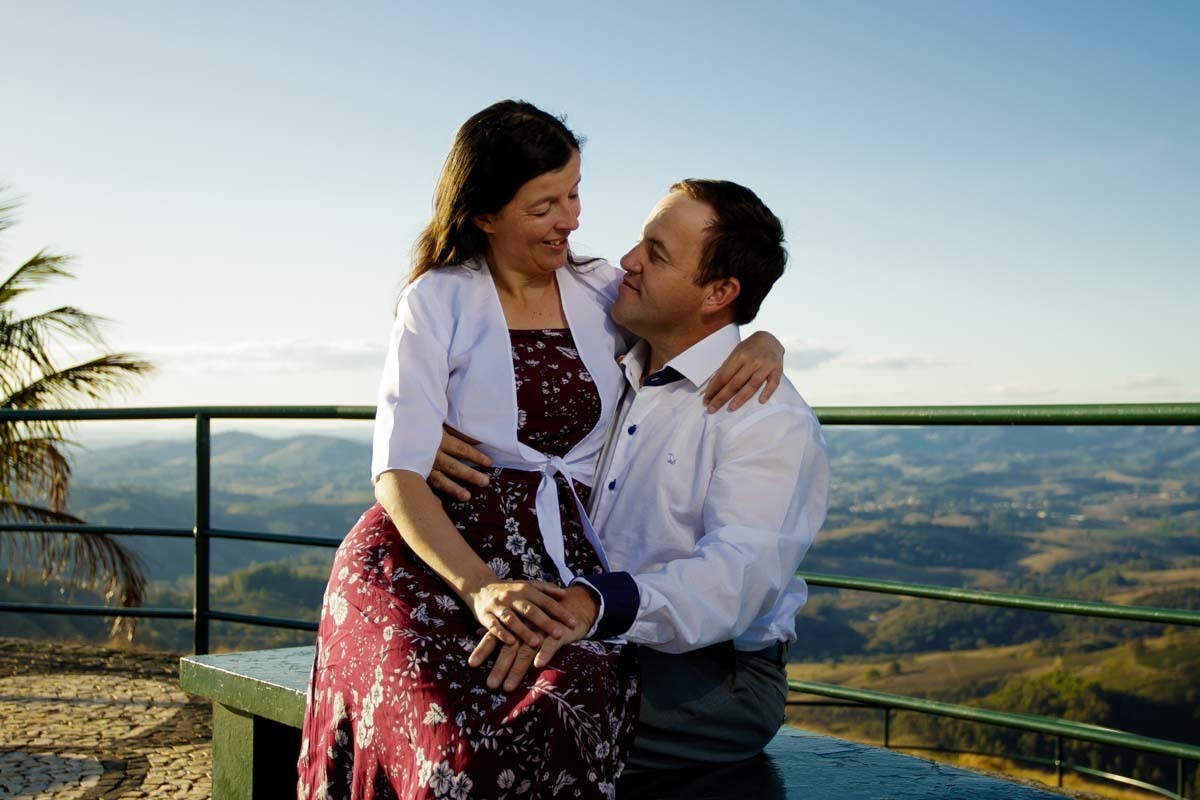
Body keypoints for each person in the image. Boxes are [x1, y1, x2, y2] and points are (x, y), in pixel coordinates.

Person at [296, 102, 786, 800]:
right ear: (484, 214)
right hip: (429, 562)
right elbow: (397, 473)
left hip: (555, 565)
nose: (571, 219)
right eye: (544, 205)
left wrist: (764, 340)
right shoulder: (436, 299)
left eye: (575, 194)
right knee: (445, 741)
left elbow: (697, 311)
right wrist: (480, 587)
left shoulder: (602, 290)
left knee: (560, 699)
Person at [462, 179, 831, 774]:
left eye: (656, 254)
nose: (628, 260)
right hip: (592, 634)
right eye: (641, 242)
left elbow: (736, 579)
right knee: (434, 669)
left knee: (504, 721)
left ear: (719, 292)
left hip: (713, 676)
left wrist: (594, 604)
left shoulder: (768, 418)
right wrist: (433, 440)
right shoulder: (610, 361)